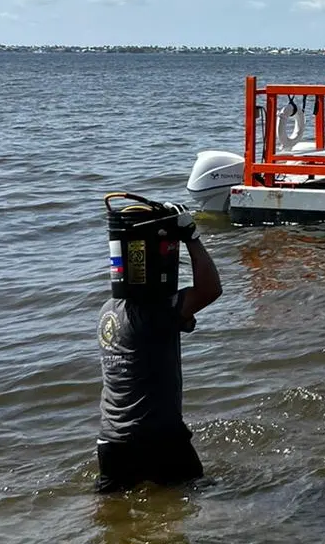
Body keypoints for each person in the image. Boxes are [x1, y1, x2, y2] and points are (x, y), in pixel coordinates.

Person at [95, 204, 222, 493]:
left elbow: (151, 333)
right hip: (158, 437)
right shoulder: (156, 312)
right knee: (201, 497)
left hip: (111, 441)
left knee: (112, 521)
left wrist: (181, 318)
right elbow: (210, 288)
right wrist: (191, 235)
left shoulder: (109, 311)